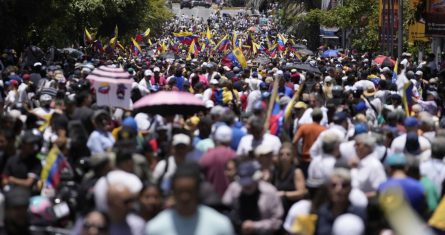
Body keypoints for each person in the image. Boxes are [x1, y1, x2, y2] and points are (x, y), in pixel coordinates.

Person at [146, 162, 234, 235]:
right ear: (173, 192)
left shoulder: (220, 225)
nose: (185, 197)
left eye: (190, 192)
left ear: (198, 191)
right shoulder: (155, 228)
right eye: (180, 191)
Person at [223, 161, 284, 235]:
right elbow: (223, 211)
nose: (246, 186)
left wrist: (255, 226)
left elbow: (277, 221)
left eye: (249, 183)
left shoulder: (270, 192)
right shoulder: (234, 188)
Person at [200, 125, 236, 196]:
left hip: (210, 198)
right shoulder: (234, 156)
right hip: (229, 198)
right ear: (230, 140)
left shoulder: (207, 156)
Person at [273, 142, 307, 216]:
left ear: (292, 156)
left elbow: (302, 192)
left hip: (292, 209)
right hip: (280, 209)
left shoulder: (296, 172)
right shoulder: (277, 172)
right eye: (281, 154)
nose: (284, 157)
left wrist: (284, 194)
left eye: (288, 154)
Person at [293, 108, 326, 176]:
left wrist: (296, 156)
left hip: (305, 160)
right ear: (321, 117)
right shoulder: (324, 130)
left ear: (311, 117)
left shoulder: (304, 127)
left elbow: (294, 141)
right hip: (318, 162)